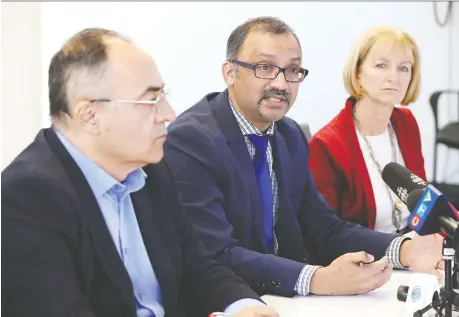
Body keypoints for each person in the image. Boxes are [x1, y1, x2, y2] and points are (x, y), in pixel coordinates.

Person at [1, 28, 279, 317]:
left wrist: (244, 306)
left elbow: (198, 267)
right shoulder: (28, 198)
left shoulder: (150, 170)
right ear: (89, 116)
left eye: (164, 95)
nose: (169, 114)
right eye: (151, 100)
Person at [162, 16, 443, 299]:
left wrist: (405, 249)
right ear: (230, 72)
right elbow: (215, 253)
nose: (282, 83)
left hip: (287, 300)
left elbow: (323, 227)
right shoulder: (191, 140)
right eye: (265, 67)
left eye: (293, 70)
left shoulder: (288, 134)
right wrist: (316, 279)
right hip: (225, 301)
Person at [308, 26, 426, 235]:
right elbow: (324, 235)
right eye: (381, 65)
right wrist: (400, 251)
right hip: (364, 259)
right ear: (358, 74)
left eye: (403, 68)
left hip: (415, 252)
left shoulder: (406, 124)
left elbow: (424, 201)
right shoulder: (327, 145)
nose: (394, 77)